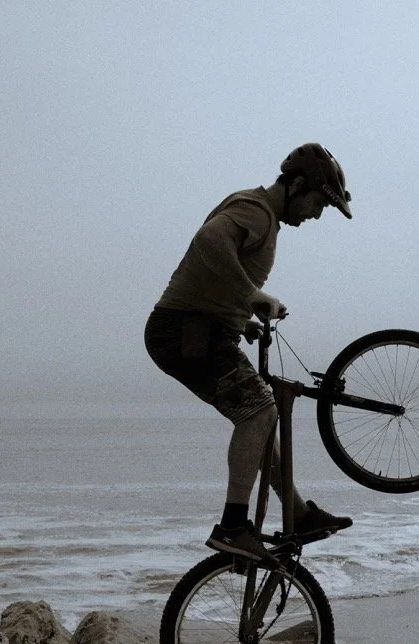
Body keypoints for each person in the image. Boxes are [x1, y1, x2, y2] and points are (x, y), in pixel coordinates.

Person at [145, 144, 355, 564]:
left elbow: (206, 274)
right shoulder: (256, 211)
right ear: (296, 185)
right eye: (317, 203)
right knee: (259, 412)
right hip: (184, 332)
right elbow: (209, 242)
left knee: (259, 421)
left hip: (196, 328)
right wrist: (250, 294)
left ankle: (297, 513)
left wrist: (240, 318)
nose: (315, 215)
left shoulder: (261, 215)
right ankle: (233, 526)